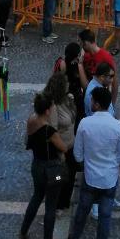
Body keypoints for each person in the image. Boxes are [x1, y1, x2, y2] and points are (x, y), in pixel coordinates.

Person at [67, 86, 120, 239]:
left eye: (92, 100)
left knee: (82, 212)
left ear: (95, 103)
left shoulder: (85, 124)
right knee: (104, 218)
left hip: (90, 178)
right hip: (109, 180)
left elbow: (78, 156)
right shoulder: (118, 126)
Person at [18, 91, 67, 239]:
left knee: (36, 197)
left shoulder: (31, 121)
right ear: (47, 110)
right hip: (53, 172)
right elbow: (63, 148)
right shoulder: (50, 131)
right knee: (51, 206)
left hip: (36, 167)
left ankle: (23, 233)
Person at [44, 71, 78, 212]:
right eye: (66, 83)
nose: (69, 84)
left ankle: (64, 203)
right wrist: (61, 152)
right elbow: (53, 131)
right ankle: (56, 204)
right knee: (59, 178)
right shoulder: (53, 106)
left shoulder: (67, 99)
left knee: (69, 177)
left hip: (70, 146)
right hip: (60, 150)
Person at [55, 41, 87, 127]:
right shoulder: (65, 65)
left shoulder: (63, 62)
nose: (81, 55)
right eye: (79, 54)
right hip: (70, 96)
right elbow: (85, 86)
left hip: (72, 95)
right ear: (75, 56)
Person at [79, 29, 118, 99]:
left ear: (86, 43)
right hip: (87, 97)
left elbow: (114, 83)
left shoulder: (106, 57)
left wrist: (112, 104)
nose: (81, 46)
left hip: (100, 100)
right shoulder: (84, 56)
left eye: (81, 43)